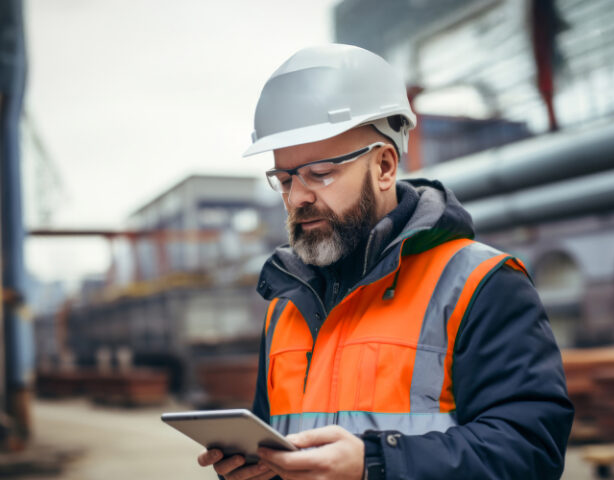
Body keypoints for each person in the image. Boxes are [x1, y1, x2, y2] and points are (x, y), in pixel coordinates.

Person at [198, 44, 574, 480]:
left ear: (384, 166)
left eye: (320, 174)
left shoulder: (480, 285)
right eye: (284, 179)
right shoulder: (285, 305)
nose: (297, 197)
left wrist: (375, 463)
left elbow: (530, 451)